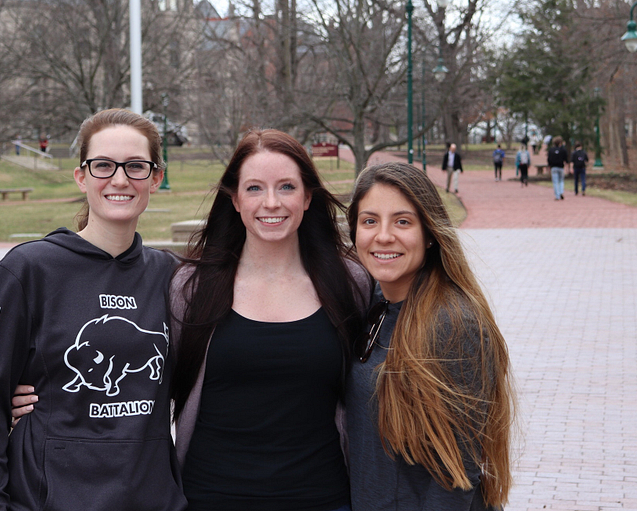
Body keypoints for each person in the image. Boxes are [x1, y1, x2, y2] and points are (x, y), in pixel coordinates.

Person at [0, 109, 188, 511]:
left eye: (135, 166)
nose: (119, 179)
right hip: (50, 498)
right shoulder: (28, 269)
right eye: (103, 165)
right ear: (81, 176)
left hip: (152, 498)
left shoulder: (172, 276)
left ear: (156, 177)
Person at [170, 129, 371, 511]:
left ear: (308, 196)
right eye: (255, 188)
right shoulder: (191, 288)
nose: (272, 203)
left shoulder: (351, 283)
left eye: (287, 187)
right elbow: (140, 379)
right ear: (234, 198)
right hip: (211, 497)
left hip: (323, 497)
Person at [345, 162, 515, 511]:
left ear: (430, 233)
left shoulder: (453, 323)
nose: (383, 236)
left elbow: (456, 473)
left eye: (403, 221)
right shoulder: (374, 304)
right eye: (370, 220)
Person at [547, 136, 568, 200]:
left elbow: (549, 159)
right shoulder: (563, 150)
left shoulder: (551, 150)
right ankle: (561, 191)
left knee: (555, 182)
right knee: (561, 181)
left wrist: (549, 166)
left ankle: (557, 195)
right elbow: (566, 159)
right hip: (561, 167)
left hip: (553, 167)